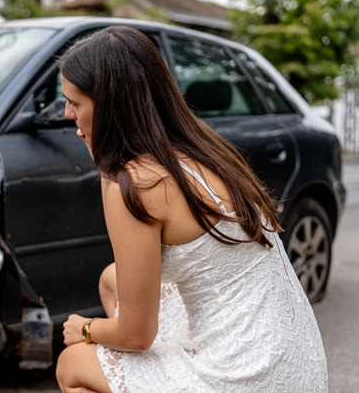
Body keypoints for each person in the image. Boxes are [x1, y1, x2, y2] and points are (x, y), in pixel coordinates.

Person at [54, 25, 328, 392]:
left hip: (250, 378)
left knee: (71, 363)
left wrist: (84, 329)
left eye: (75, 103)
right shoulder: (204, 146)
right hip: (295, 361)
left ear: (108, 105)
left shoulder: (132, 182)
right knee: (111, 279)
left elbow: (137, 335)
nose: (69, 115)